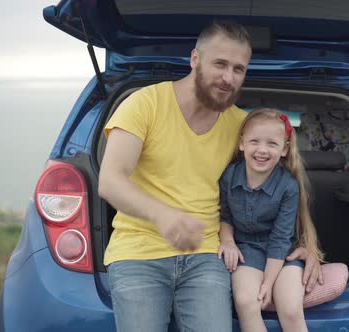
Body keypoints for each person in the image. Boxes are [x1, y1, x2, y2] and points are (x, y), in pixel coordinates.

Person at [98, 21, 323, 332]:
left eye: (239, 69)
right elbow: (110, 180)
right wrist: (163, 216)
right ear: (194, 59)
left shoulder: (243, 128)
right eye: (220, 64)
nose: (228, 78)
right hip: (139, 253)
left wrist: (308, 247)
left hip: (206, 256)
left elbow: (281, 182)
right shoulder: (144, 104)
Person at [218, 108, 324, 332]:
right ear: (242, 143)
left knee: (291, 309)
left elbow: (280, 238)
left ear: (284, 149)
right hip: (247, 250)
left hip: (283, 253)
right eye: (254, 141)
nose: (262, 150)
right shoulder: (229, 176)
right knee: (247, 302)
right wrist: (227, 241)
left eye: (272, 144)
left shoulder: (288, 186)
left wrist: (268, 282)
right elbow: (224, 216)